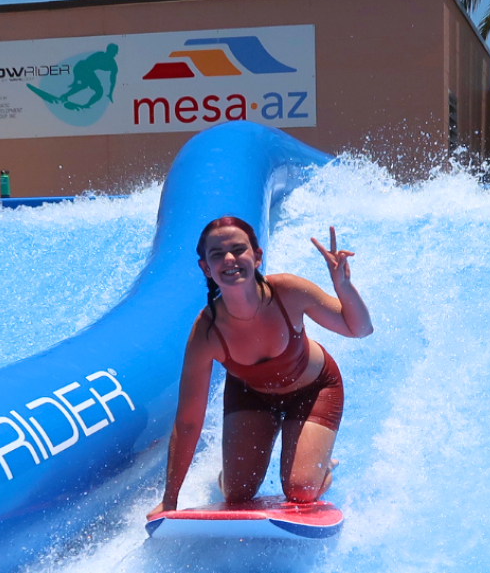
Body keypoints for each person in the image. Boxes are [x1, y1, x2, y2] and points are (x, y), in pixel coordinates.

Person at [147, 215, 373, 520]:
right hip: (251, 395)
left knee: (301, 490)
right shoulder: (207, 332)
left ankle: (320, 463)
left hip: (313, 390)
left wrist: (343, 287)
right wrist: (169, 499)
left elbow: (359, 329)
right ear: (206, 268)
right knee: (238, 493)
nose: (229, 259)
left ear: (256, 256)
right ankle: (236, 472)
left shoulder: (288, 292)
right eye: (217, 255)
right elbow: (188, 421)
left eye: (239, 250)